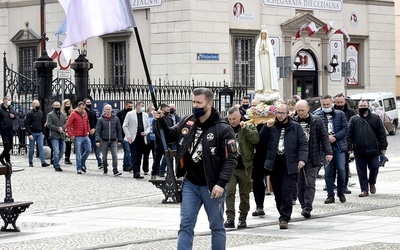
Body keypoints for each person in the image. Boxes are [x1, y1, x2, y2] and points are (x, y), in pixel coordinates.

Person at [153, 88, 237, 250]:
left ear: (209, 104)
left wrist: (221, 183)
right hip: (190, 184)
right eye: (193, 102)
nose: (195, 105)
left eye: (199, 103)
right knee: (185, 225)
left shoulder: (223, 129)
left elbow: (230, 159)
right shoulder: (187, 121)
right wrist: (160, 121)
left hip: (212, 185)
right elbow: (170, 135)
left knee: (216, 226)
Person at [258, 103, 308, 229]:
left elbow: (303, 144)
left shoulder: (295, 127)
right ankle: (282, 213)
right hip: (275, 163)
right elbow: (260, 141)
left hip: (289, 164)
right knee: (278, 192)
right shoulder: (271, 125)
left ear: (288, 114)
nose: (280, 115)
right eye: (278, 113)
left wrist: (302, 159)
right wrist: (266, 128)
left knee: (287, 191)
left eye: (282, 113)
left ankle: (284, 217)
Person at [293, 100, 333, 218]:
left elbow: (324, 137)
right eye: (298, 110)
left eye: (302, 110)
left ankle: (307, 207)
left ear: (308, 109)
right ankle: (303, 205)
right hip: (298, 158)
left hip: (313, 157)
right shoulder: (294, 121)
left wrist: (328, 152)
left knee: (310, 182)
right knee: (300, 184)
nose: (300, 113)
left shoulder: (316, 120)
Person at [224, 106, 259, 229]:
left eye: (234, 119)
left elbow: (256, 140)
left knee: (244, 194)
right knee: (230, 192)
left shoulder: (248, 126)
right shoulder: (225, 128)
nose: (232, 121)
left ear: (240, 117)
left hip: (245, 166)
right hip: (230, 167)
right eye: (229, 119)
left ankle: (242, 218)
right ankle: (230, 218)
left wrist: (245, 129)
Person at [347, 100, 388, 197]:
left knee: (374, 167)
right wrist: (349, 147)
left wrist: (383, 146)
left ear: (368, 107)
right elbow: (349, 135)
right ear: (358, 107)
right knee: (361, 171)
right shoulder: (353, 119)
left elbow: (381, 133)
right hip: (359, 151)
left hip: (374, 149)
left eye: (364, 105)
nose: (362, 107)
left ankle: (372, 182)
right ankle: (364, 190)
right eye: (361, 106)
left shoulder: (375, 118)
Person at [315, 95, 348, 204]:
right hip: (325, 148)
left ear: (332, 103)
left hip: (339, 146)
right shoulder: (317, 116)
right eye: (323, 105)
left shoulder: (340, 114)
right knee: (328, 171)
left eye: (327, 104)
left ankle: (341, 191)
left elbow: (345, 129)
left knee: (341, 170)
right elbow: (316, 133)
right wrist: (326, 139)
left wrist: (335, 137)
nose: (326, 106)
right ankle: (330, 195)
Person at [334, 93, 357, 194]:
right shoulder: (331, 112)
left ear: (344, 102)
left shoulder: (350, 113)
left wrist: (351, 145)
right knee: (331, 167)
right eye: (337, 102)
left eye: (341, 102)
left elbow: (353, 129)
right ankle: (330, 185)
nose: (339, 104)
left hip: (346, 143)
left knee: (344, 167)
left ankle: (344, 186)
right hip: (332, 143)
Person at [123, 101, 150, 179]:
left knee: (139, 156)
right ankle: (136, 172)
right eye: (141, 106)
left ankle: (138, 170)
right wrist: (128, 136)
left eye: (143, 106)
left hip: (142, 138)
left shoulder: (145, 115)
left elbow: (148, 126)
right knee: (134, 155)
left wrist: (146, 132)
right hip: (133, 138)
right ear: (137, 106)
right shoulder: (130, 114)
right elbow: (125, 126)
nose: (142, 108)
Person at [95, 104, 123, 176]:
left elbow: (119, 130)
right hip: (104, 140)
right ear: (104, 110)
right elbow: (98, 130)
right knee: (104, 157)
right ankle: (105, 169)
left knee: (115, 155)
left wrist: (120, 140)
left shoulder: (116, 119)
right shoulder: (101, 120)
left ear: (111, 110)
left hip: (113, 140)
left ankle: (115, 170)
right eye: (106, 109)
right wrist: (97, 140)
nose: (108, 111)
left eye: (109, 109)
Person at [66, 101, 91, 174]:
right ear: (78, 107)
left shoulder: (85, 113)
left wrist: (88, 130)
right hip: (78, 136)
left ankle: (82, 163)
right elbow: (68, 125)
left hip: (85, 135)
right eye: (81, 109)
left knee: (89, 149)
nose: (83, 110)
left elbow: (87, 122)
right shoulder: (73, 114)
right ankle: (79, 168)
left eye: (84, 108)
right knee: (78, 153)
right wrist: (71, 135)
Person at [25, 100, 50, 168]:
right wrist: (29, 133)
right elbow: (27, 124)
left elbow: (43, 123)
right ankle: (30, 162)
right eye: (36, 105)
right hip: (32, 133)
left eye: (38, 104)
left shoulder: (41, 113)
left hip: (39, 133)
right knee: (31, 148)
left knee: (41, 148)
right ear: (33, 105)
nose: (37, 106)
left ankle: (43, 162)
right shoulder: (30, 113)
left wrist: (43, 133)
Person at [151, 103, 173, 179]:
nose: (169, 110)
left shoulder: (169, 118)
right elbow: (154, 130)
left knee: (169, 158)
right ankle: (154, 173)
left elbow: (171, 129)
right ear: (163, 109)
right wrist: (161, 135)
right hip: (159, 142)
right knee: (157, 158)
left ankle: (170, 174)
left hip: (168, 142)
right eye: (167, 108)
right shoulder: (156, 119)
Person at [255, 27, 278, 93]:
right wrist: (261, 49)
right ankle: (262, 89)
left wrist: (265, 48)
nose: (263, 36)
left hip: (267, 61)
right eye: (262, 34)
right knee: (262, 75)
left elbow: (270, 52)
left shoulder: (268, 43)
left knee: (267, 75)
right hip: (261, 60)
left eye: (265, 34)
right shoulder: (258, 42)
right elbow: (257, 53)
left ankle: (268, 89)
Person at [46, 101, 67, 172]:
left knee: (62, 150)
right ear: (53, 106)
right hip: (54, 135)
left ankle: (55, 160)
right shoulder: (50, 115)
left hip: (62, 135)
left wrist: (62, 128)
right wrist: (57, 128)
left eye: (58, 105)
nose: (57, 107)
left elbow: (66, 123)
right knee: (56, 151)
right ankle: (57, 165)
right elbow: (49, 124)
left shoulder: (63, 115)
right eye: (56, 105)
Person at [84, 98, 102, 169]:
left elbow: (96, 122)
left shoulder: (93, 112)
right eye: (87, 103)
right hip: (86, 133)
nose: (88, 104)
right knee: (85, 149)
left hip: (93, 132)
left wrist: (94, 129)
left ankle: (100, 163)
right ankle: (83, 163)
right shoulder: (83, 112)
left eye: (89, 102)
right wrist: (88, 130)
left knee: (96, 147)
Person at [116, 101, 134, 172]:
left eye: (131, 107)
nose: (130, 108)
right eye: (129, 107)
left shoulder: (132, 114)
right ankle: (129, 165)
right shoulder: (120, 113)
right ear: (125, 106)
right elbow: (118, 125)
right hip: (123, 135)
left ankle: (125, 165)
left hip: (131, 135)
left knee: (128, 151)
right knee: (127, 151)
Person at [371, 101, 389, 166]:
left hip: (377, 131)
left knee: (377, 146)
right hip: (382, 130)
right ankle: (382, 159)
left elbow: (376, 121)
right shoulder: (382, 111)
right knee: (380, 146)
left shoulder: (377, 112)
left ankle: (383, 158)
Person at [0, 96, 16, 165]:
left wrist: (13, 116)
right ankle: (8, 161)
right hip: (4, 130)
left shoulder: (11, 108)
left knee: (10, 146)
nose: (9, 101)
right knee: (6, 145)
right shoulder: (0, 110)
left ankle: (1, 156)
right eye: (8, 100)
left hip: (10, 129)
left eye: (10, 100)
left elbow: (14, 116)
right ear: (4, 101)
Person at [143, 104, 156, 176]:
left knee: (155, 155)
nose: (152, 111)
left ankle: (155, 169)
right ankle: (145, 169)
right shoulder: (146, 117)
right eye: (151, 109)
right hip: (148, 139)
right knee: (146, 155)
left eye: (153, 109)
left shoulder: (155, 117)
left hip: (155, 139)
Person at [61, 99, 73, 165]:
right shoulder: (62, 113)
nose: (68, 105)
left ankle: (68, 157)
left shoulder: (72, 112)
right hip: (64, 130)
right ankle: (66, 157)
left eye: (69, 104)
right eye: (66, 104)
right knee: (66, 144)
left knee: (69, 144)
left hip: (70, 130)